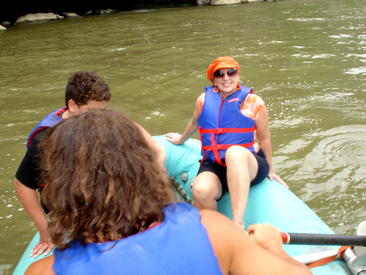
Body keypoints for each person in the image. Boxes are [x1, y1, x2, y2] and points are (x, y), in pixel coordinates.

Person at [25, 109, 312, 275]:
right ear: (142, 167)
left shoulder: (42, 271)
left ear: (60, 185)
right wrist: (272, 247)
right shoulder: (212, 231)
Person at [14, 71, 165, 258]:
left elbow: (128, 125)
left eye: (103, 111)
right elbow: (22, 184)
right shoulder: (45, 141)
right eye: (94, 112)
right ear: (72, 105)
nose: (99, 118)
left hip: (86, 184)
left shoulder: (90, 119)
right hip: (65, 201)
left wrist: (158, 151)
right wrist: (45, 231)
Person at [165, 56, 288, 231]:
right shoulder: (203, 100)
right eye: (220, 74)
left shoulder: (254, 102)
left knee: (234, 153)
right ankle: (215, 234)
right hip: (216, 162)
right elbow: (194, 123)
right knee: (200, 190)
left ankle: (237, 224)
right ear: (214, 80)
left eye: (231, 72)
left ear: (238, 75)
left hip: (248, 161)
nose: (226, 77)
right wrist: (180, 139)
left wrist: (271, 169)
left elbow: (265, 137)